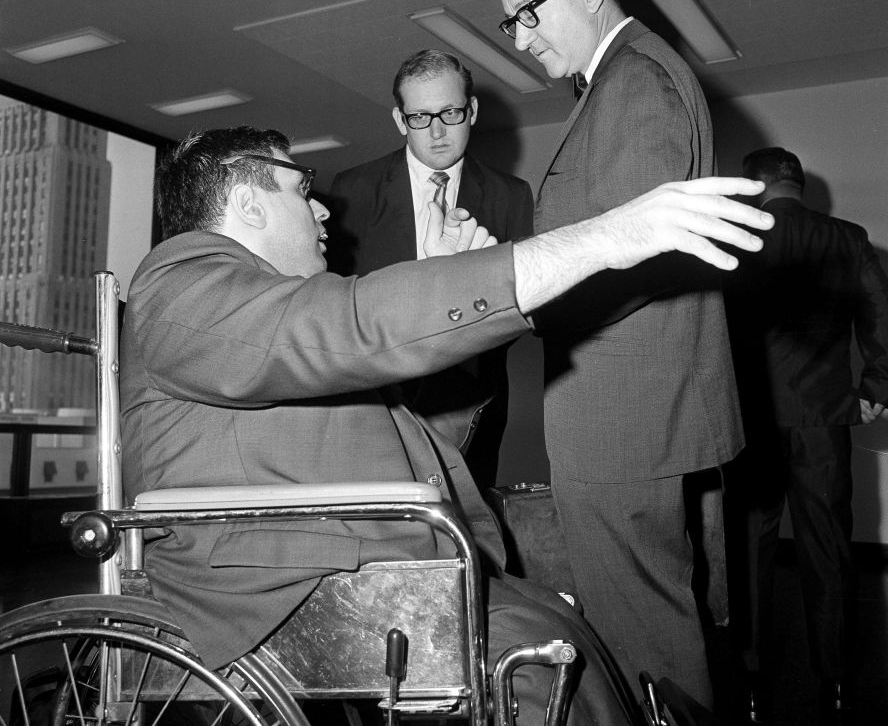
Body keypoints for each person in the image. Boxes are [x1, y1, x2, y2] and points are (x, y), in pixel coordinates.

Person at [120, 125, 771, 722]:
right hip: (283, 587)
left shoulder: (265, 325)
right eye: (302, 187)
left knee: (565, 640)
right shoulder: (179, 281)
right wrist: (602, 238)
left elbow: (423, 428)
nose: (323, 209)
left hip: (381, 562)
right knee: (549, 674)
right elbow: (352, 324)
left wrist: (436, 277)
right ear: (246, 200)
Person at [492, 0, 744, 706]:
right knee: (646, 627)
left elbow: (639, 252)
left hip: (624, 417)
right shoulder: (624, 79)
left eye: (526, 13)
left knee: (645, 639)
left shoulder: (633, 80)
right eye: (511, 20)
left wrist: (519, 293)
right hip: (632, 410)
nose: (521, 38)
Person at [725, 147, 888, 723]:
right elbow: (881, 319)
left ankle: (747, 677)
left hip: (748, 425)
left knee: (746, 554)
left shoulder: (731, 242)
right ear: (798, 184)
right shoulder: (848, 237)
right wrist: (874, 390)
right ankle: (837, 680)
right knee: (830, 551)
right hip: (823, 420)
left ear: (755, 185)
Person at [328, 49, 534, 488]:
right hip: (377, 404)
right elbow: (338, 307)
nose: (436, 131)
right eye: (419, 117)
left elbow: (523, 310)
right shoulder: (353, 191)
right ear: (400, 120)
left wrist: (472, 288)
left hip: (474, 399)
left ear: (472, 111)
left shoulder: (511, 195)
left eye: (450, 113)